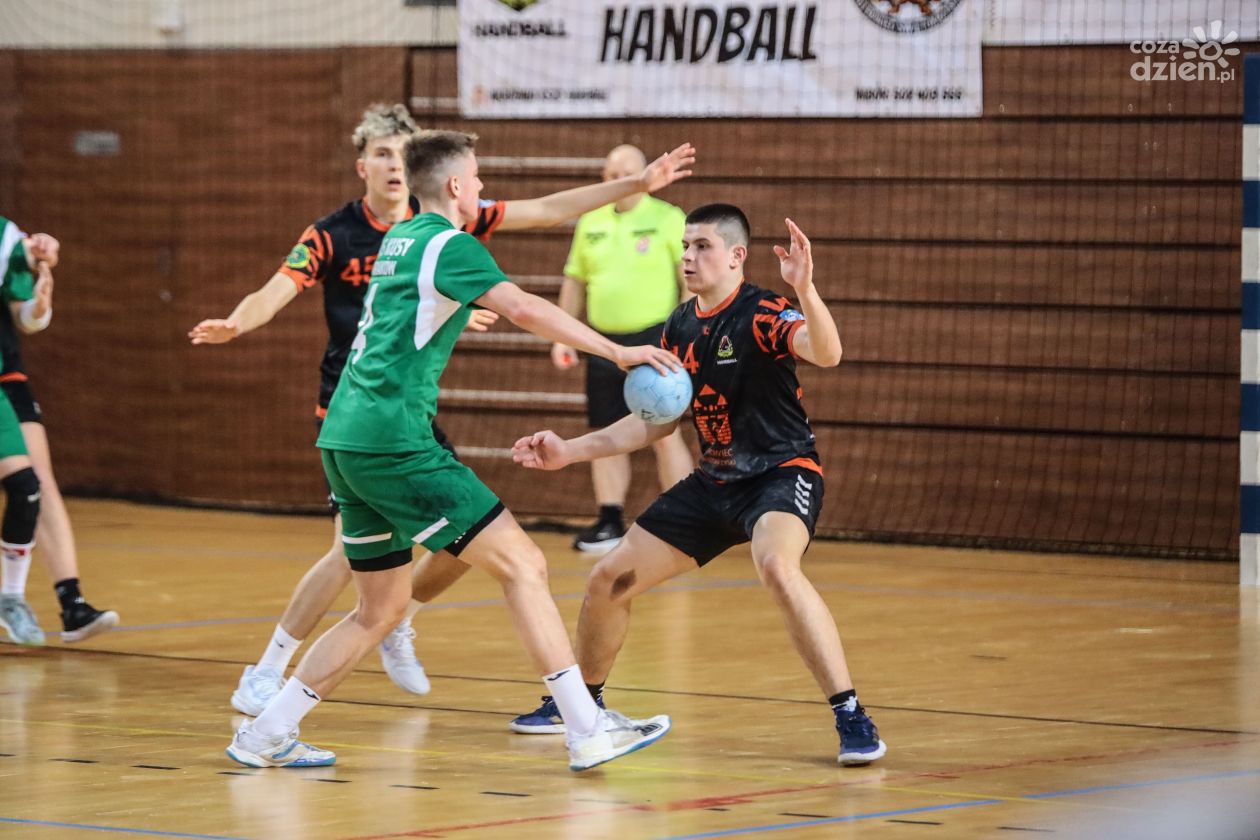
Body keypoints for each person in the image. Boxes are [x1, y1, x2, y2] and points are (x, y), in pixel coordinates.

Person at [190, 103, 698, 715]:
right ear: (364, 166)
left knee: (452, 553)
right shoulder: (348, 234)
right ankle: (271, 669)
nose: (392, 163)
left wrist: (636, 183)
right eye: (381, 153)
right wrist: (237, 322)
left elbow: (546, 209)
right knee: (412, 557)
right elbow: (279, 289)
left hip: (388, 418)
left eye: (399, 151)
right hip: (371, 417)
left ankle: (308, 693)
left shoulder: (413, 232)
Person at [509, 204, 887, 766]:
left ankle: (851, 714)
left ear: (736, 256)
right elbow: (653, 424)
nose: (688, 256)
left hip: (780, 474)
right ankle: (581, 706)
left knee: (777, 566)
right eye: (685, 246)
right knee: (608, 579)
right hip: (713, 482)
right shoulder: (680, 326)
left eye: (702, 246)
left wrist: (806, 289)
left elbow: (826, 353)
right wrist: (570, 450)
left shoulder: (764, 311)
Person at [553, 144, 693, 553]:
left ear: (645, 175)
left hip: (656, 340)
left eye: (627, 172)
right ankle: (610, 521)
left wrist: (685, 335)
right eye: (611, 173)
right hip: (604, 343)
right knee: (606, 429)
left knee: (664, 431)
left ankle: (685, 519)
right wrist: (563, 336)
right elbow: (574, 281)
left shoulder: (668, 218)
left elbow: (688, 280)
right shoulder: (590, 221)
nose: (619, 180)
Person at [0, 220, 117, 646]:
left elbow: (26, 315)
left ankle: (71, 603)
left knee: (35, 482)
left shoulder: (6, 236)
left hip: (7, 373)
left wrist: (38, 305)